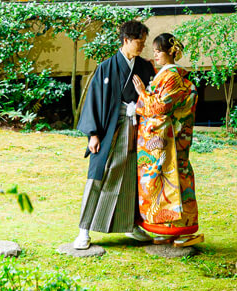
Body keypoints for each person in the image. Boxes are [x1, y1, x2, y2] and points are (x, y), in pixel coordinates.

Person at [73, 19, 156, 250]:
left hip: (136, 127)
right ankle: (84, 230)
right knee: (99, 175)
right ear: (126, 40)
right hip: (109, 127)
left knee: (131, 177)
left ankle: (131, 225)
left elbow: (153, 98)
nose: (142, 46)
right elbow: (94, 101)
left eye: (143, 42)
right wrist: (93, 134)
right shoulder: (106, 68)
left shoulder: (145, 67)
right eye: (139, 42)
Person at [132, 33, 202, 247]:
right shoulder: (165, 74)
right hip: (161, 140)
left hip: (167, 140)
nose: (155, 54)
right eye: (154, 51)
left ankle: (182, 230)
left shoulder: (171, 75)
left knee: (172, 181)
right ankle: (163, 228)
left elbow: (161, 107)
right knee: (158, 183)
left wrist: (142, 93)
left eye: (159, 51)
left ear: (170, 52)